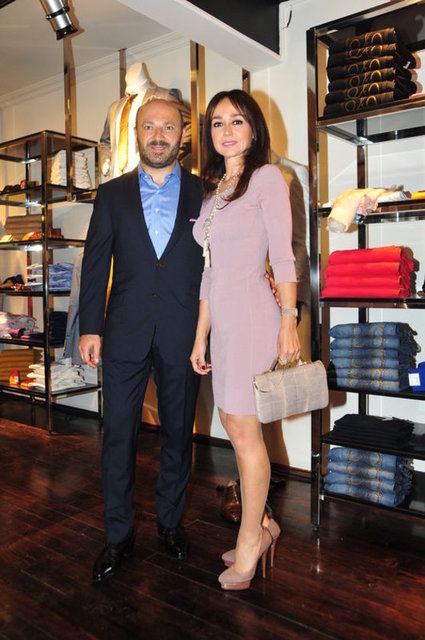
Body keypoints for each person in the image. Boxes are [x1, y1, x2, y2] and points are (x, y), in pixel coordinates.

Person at [79, 98, 204, 583]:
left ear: (181, 135)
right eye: (149, 126)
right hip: (123, 332)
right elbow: (95, 265)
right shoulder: (111, 195)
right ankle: (118, 534)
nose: (158, 135)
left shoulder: (204, 193)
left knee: (178, 434)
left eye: (167, 127)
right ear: (137, 134)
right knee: (117, 436)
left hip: (183, 333)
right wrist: (90, 327)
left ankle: (169, 523)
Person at [190, 89, 301, 591]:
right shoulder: (214, 193)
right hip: (225, 323)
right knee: (235, 428)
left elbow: (283, 254)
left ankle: (251, 538)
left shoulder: (266, 178)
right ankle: (262, 526)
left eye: (237, 121)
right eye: (217, 123)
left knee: (243, 430)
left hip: (256, 316)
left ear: (254, 129)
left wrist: (288, 319)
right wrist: (201, 336)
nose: (227, 131)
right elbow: (209, 272)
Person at [99, 62, 191, 181]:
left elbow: (192, 127)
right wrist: (105, 159)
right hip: (117, 180)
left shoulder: (165, 96)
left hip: (152, 179)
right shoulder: (114, 108)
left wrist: (169, 156)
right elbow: (105, 141)